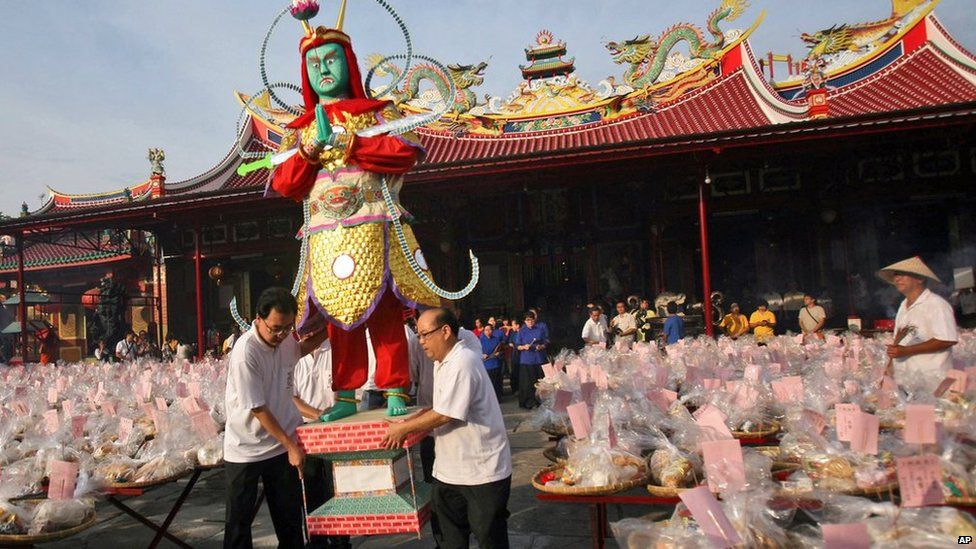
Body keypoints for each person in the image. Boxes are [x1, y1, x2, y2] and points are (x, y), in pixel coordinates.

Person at [270, 18, 467, 422]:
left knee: (385, 312)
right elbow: (285, 183)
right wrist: (309, 151)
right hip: (327, 237)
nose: (323, 70)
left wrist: (348, 141)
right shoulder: (300, 131)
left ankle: (394, 384)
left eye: (331, 60)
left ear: (350, 63)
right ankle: (344, 393)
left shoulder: (375, 115)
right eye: (314, 64)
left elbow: (401, 153)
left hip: (373, 226)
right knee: (339, 316)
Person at [382, 308, 512, 549]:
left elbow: (446, 414)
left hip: (482, 471)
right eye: (417, 335)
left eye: (424, 335)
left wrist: (404, 428)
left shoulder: (463, 361)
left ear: (445, 331)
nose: (420, 342)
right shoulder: (441, 362)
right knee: (448, 538)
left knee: (489, 539)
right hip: (449, 470)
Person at [223, 287, 328, 549]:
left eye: (287, 328)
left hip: (279, 446)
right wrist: (291, 446)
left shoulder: (285, 339)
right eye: (275, 328)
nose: (281, 335)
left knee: (289, 520)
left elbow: (299, 350)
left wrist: (333, 329)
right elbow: (258, 409)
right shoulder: (246, 351)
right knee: (238, 525)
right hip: (246, 448)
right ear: (258, 319)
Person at [292, 340, 349, 549]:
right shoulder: (295, 355)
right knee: (310, 489)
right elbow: (291, 397)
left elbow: (348, 389)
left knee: (338, 490)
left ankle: (341, 540)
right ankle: (316, 539)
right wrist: (317, 415)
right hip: (306, 433)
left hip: (336, 431)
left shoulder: (336, 348)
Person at [878, 256, 958, 394]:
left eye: (902, 275)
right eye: (896, 275)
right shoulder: (903, 306)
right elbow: (899, 340)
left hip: (932, 382)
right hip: (906, 380)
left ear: (919, 279)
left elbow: (947, 339)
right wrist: (888, 370)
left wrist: (907, 351)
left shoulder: (936, 304)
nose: (897, 279)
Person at [513, 311, 548, 409]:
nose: (530, 322)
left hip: (538, 359)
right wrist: (524, 347)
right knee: (527, 383)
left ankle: (540, 401)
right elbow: (517, 346)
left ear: (534, 319)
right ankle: (529, 402)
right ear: (525, 321)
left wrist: (541, 346)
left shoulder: (540, 329)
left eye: (531, 320)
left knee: (539, 382)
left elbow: (545, 342)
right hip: (526, 360)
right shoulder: (522, 331)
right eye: (528, 320)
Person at [479, 323, 505, 399]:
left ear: (492, 330)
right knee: (487, 384)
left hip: (496, 364)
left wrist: (499, 353)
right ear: (483, 331)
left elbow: (502, 351)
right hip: (485, 365)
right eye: (486, 330)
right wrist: (482, 354)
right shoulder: (480, 341)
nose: (488, 331)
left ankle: (498, 398)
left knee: (497, 383)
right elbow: (476, 352)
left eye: (489, 330)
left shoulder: (497, 340)